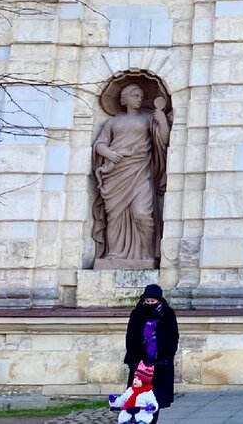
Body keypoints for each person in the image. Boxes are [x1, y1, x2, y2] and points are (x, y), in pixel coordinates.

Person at [92, 84, 171, 263]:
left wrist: (163, 121)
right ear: (124, 98)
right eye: (135, 95)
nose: (139, 98)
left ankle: (145, 253)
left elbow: (164, 140)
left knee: (142, 213)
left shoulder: (148, 118)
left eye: (141, 95)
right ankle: (113, 254)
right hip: (116, 173)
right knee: (115, 216)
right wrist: (110, 154)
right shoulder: (113, 122)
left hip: (141, 172)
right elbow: (99, 145)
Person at [124, 285, 178, 417]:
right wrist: (133, 360)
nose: (149, 304)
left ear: (159, 301)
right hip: (140, 363)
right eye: (147, 301)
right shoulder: (137, 314)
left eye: (152, 302)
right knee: (137, 397)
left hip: (160, 364)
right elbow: (130, 337)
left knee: (155, 400)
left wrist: (166, 359)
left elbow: (173, 337)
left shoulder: (168, 314)